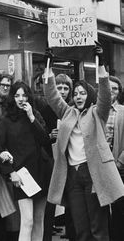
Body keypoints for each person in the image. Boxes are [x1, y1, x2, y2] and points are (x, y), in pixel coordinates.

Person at [43, 46, 124, 241]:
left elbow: (105, 94)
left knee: (98, 228)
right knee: (81, 229)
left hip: (93, 175)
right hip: (73, 177)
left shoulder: (98, 113)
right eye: (76, 94)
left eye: (82, 93)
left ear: (90, 95)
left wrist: (101, 64)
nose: (78, 96)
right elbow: (52, 95)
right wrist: (48, 66)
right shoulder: (67, 112)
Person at [0, 80, 51, 241]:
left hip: (41, 171)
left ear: (29, 97)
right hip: (22, 175)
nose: (21, 99)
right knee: (27, 220)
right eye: (17, 95)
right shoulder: (6, 121)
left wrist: (32, 117)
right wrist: (10, 172)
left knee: (39, 219)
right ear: (12, 98)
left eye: (24, 95)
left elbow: (45, 140)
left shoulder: (35, 115)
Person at [35, 73, 74, 241]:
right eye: (59, 88)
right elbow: (40, 138)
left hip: (71, 160)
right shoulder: (44, 110)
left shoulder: (75, 109)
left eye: (66, 88)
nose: (63, 91)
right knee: (50, 203)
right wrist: (50, 135)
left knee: (73, 204)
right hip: (51, 162)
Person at [105, 76, 124, 241]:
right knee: (102, 210)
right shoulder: (95, 110)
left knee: (119, 208)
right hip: (99, 167)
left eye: (115, 88)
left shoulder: (123, 112)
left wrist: (120, 162)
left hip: (118, 167)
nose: (111, 91)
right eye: (108, 87)